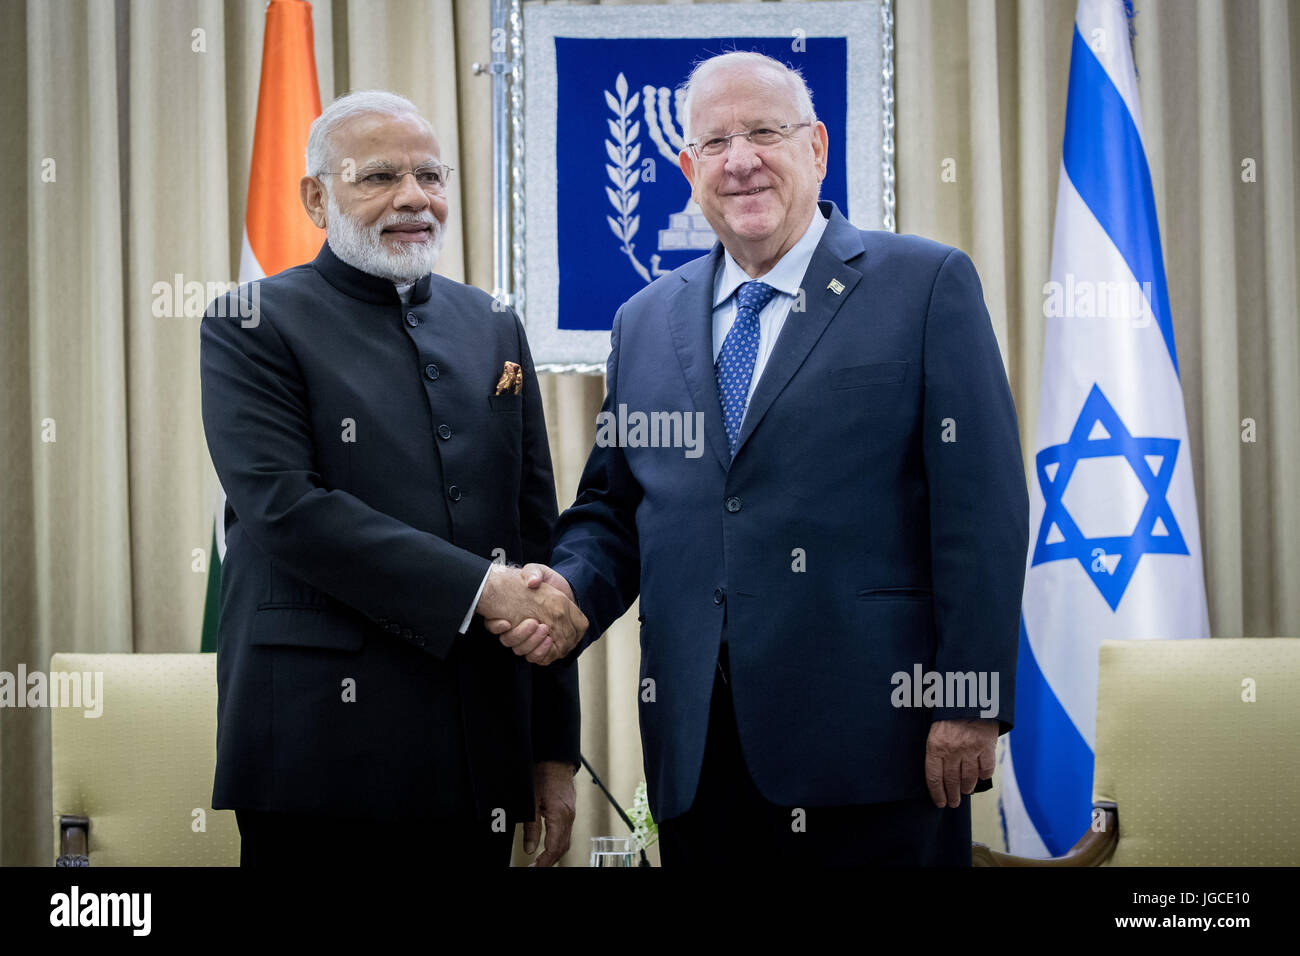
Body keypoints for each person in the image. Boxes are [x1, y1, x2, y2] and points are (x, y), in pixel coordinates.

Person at [488, 52, 1029, 866]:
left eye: (765, 133)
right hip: (701, 756)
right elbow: (614, 510)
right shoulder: (644, 320)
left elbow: (982, 507)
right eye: (715, 143)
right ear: (687, 168)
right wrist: (564, 595)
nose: (740, 160)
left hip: (879, 745)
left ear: (815, 147)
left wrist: (970, 700)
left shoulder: (923, 285)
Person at [200, 90, 587, 867]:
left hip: (479, 750)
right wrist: (483, 590)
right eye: (379, 176)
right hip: (318, 753)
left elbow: (532, 531)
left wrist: (552, 750)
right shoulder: (251, 320)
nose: (415, 198)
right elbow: (287, 510)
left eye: (431, 177)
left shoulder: (493, 323)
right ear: (317, 197)